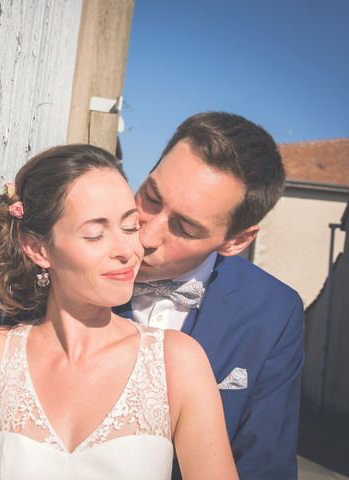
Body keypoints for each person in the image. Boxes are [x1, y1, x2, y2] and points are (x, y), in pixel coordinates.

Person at [0, 144, 238, 480]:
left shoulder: (177, 361)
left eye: (130, 228)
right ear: (38, 248)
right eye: (95, 234)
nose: (128, 251)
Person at [115, 112, 304, 479]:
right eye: (151, 198)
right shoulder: (70, 258)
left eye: (184, 228)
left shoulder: (273, 312)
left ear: (236, 241)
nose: (146, 236)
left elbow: (265, 465)